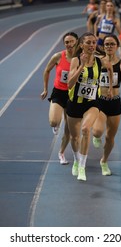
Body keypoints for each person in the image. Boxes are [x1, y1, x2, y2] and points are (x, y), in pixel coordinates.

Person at [66, 32, 113, 181]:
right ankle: (75, 158)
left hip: (92, 102)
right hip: (74, 103)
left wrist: (110, 87)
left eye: (94, 43)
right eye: (88, 43)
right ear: (81, 45)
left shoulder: (101, 61)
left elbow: (112, 68)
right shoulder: (75, 60)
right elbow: (69, 84)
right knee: (74, 138)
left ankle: (82, 166)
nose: (92, 45)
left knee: (86, 129)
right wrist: (80, 67)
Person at [92, 34, 121, 176]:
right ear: (103, 47)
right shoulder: (98, 62)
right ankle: (95, 136)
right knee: (97, 131)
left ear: (117, 46)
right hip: (100, 101)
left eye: (112, 44)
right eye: (107, 44)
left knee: (110, 138)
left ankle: (104, 161)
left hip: (114, 103)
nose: (109, 47)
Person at [40, 32, 78, 165]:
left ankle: (61, 153)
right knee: (53, 122)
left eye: (71, 41)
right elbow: (46, 70)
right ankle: (56, 122)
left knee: (69, 129)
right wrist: (45, 89)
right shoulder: (58, 56)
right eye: (66, 42)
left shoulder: (80, 58)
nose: (69, 44)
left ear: (77, 42)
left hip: (73, 95)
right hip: (58, 93)